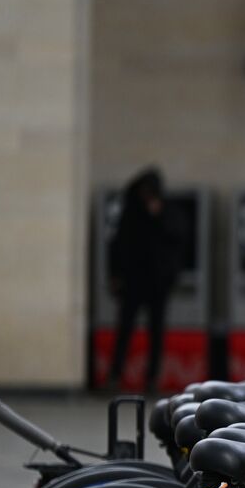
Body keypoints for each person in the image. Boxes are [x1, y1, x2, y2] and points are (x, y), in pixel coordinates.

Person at [107, 167, 179, 394]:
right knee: (125, 329)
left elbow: (177, 241)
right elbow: (118, 244)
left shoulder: (166, 212)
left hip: (157, 281)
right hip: (133, 280)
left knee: (156, 331)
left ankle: (151, 378)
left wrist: (158, 217)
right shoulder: (131, 212)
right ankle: (115, 375)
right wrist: (115, 274)